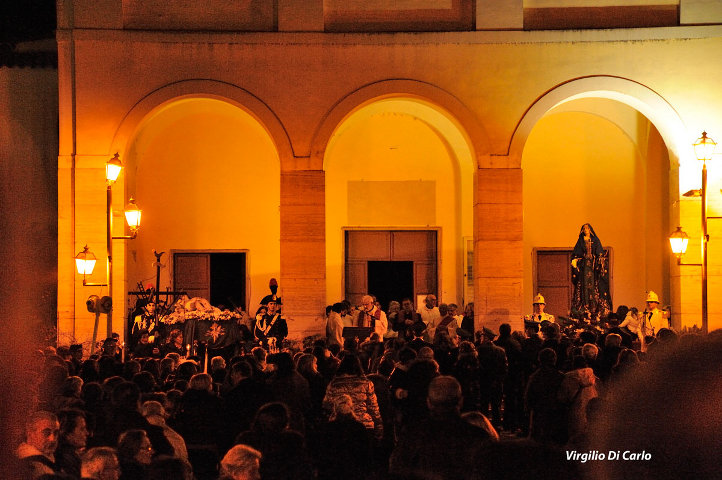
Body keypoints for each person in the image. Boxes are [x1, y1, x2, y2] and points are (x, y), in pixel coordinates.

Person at [389, 376, 491, 480]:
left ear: (429, 402)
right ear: (460, 401)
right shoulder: (478, 436)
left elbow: (397, 468)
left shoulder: (413, 434)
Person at [571, 223, 611, 320]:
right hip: (584, 266)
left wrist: (599, 260)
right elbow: (576, 254)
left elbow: (600, 253)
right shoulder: (580, 241)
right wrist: (576, 261)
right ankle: (585, 306)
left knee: (593, 286)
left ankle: (594, 307)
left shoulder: (595, 240)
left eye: (587, 228)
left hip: (593, 267)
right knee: (584, 285)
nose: (586, 230)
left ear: (590, 230)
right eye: (584, 228)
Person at [16, 411, 61, 478]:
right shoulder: (27, 466)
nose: (52, 439)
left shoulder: (50, 457)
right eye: (46, 433)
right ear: (30, 434)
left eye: (55, 433)